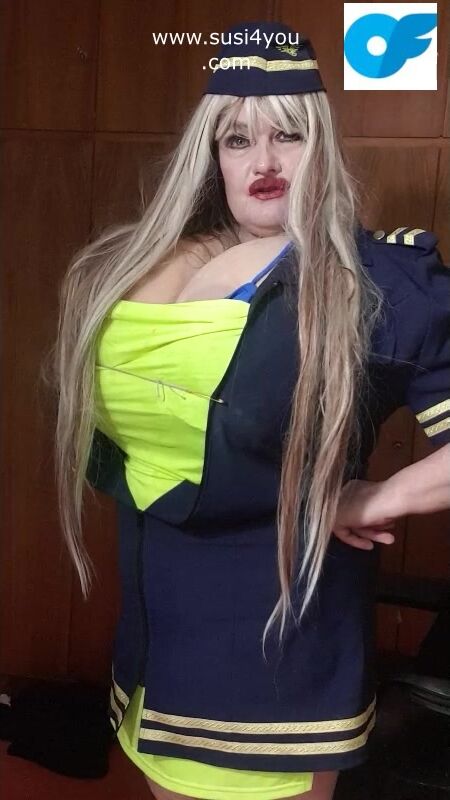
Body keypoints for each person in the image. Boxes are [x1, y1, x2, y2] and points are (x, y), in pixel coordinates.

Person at [50, 20, 450, 800]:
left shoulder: (379, 284)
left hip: (276, 669)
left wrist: (374, 497)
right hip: (155, 651)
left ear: (322, 147)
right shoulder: (143, 264)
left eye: (288, 135)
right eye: (237, 140)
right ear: (213, 157)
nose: (263, 160)